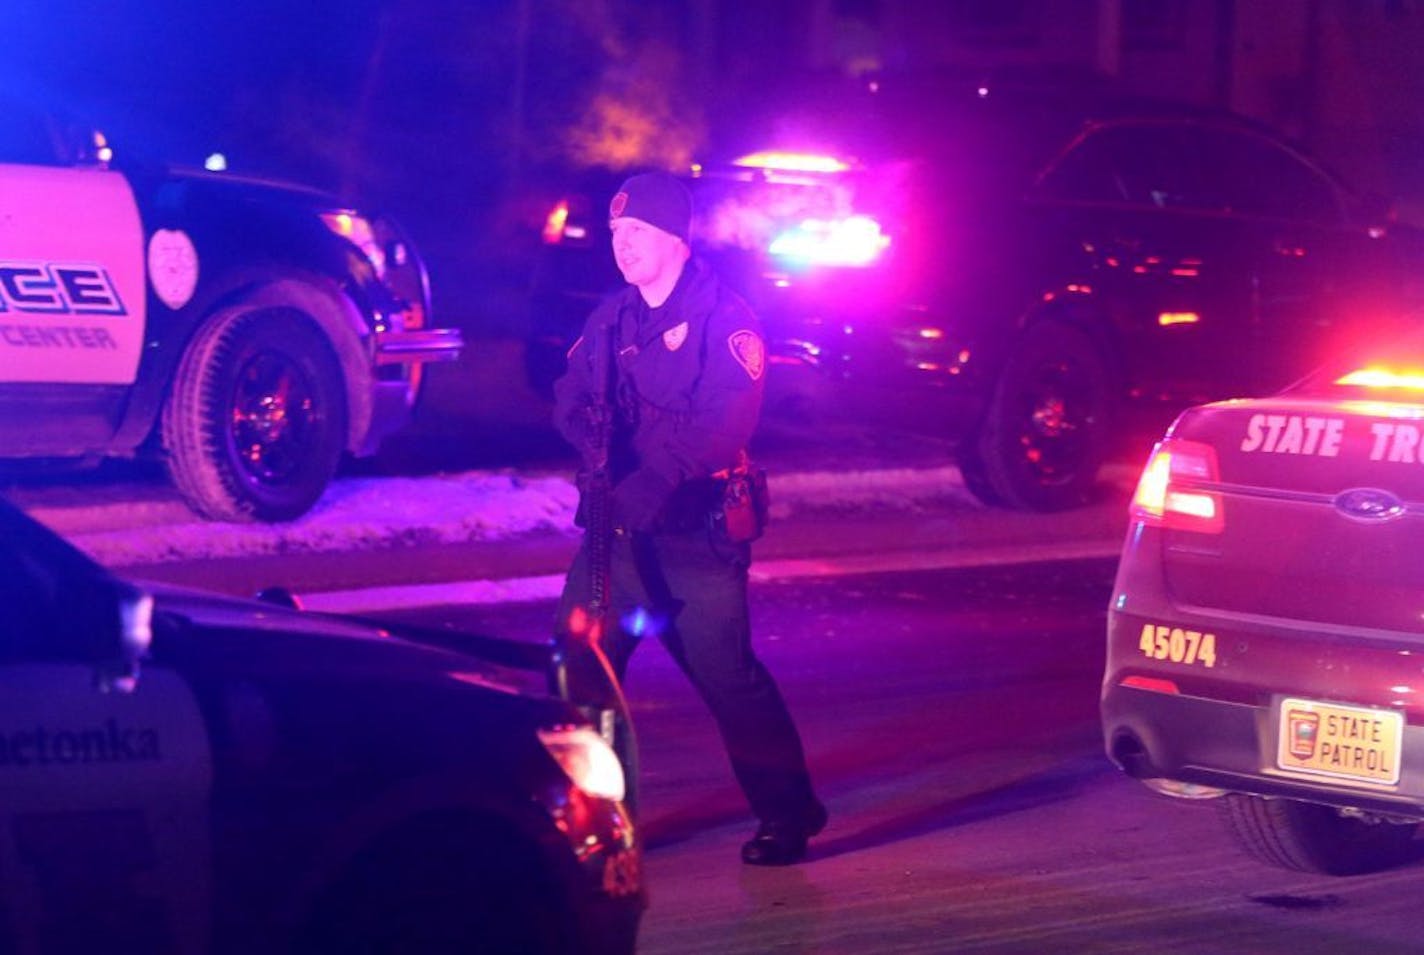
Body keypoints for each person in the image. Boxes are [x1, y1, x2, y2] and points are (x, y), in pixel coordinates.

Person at [551, 171, 827, 866]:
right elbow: (570, 387)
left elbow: (726, 419)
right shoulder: (612, 317)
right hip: (617, 532)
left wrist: (659, 476)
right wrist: (585, 429)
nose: (623, 246)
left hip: (695, 535)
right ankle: (602, 820)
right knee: (580, 671)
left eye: (638, 232)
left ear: (676, 238)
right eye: (616, 233)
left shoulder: (724, 318)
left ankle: (788, 813)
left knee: (726, 676)